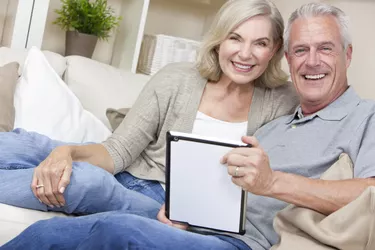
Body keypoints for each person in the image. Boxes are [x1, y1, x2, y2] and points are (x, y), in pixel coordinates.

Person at [2, 2, 374, 250]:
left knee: (107, 216)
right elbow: (216, 182)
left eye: (325, 48)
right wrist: (188, 212)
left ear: (348, 54)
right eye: (301, 51)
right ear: (289, 58)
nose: (311, 62)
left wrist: (272, 182)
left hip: (238, 240)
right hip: (188, 213)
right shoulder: (286, 119)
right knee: (41, 173)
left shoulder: (358, 115)